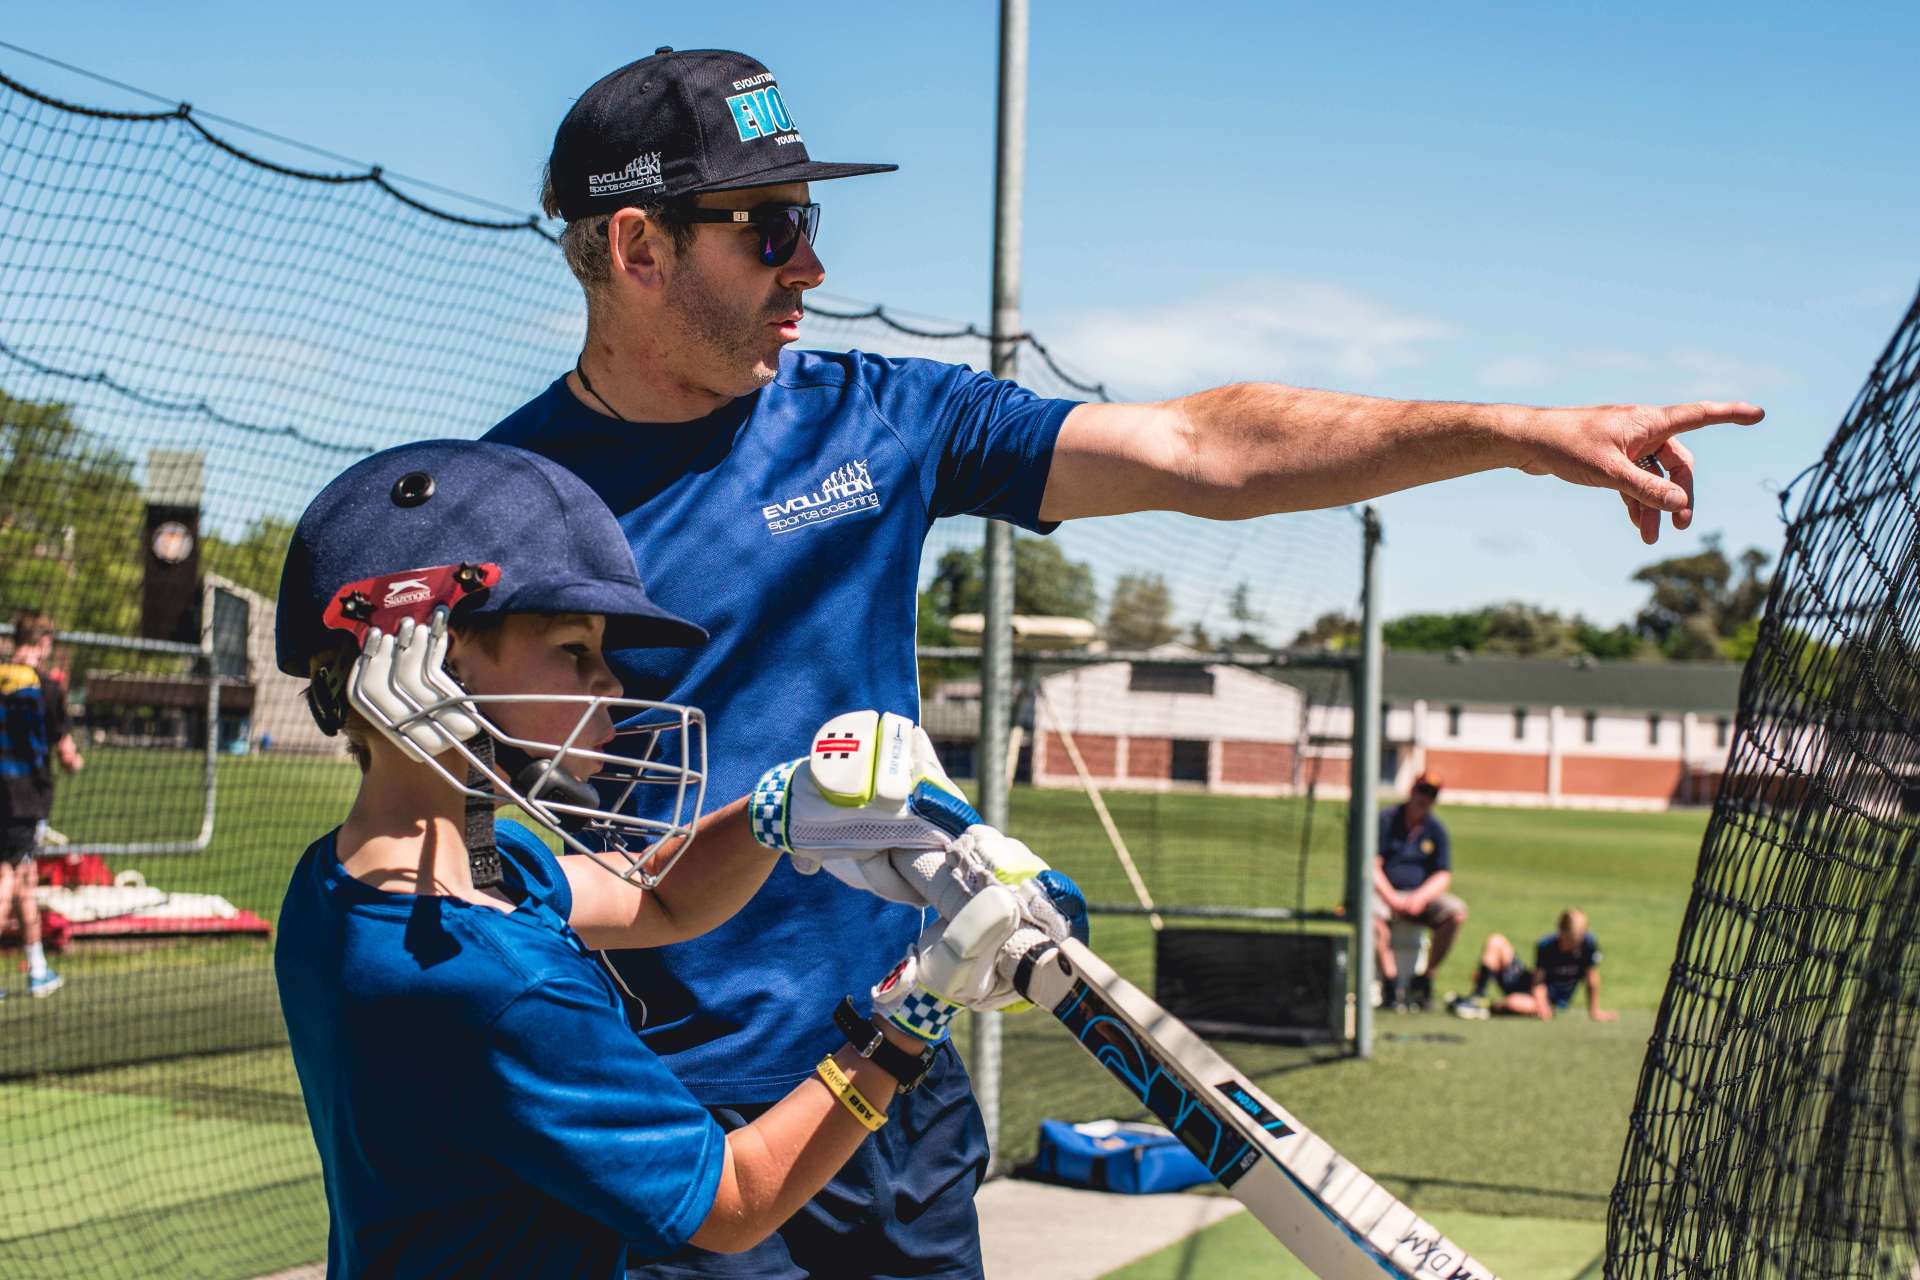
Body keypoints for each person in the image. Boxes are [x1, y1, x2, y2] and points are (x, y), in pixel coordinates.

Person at [485, 46, 1762, 1276]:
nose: (810, 264)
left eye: (810, 219)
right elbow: (477, 850)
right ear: (639, 246)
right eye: (768, 227)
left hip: (892, 1082)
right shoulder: (497, 513)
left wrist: (1512, 432)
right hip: (676, 1122)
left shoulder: (873, 417)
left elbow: (1207, 445)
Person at [270, 440, 1081, 1278]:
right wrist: (911, 1019)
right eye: (574, 652)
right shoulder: (492, 981)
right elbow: (734, 1202)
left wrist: (783, 810)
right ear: (430, 663)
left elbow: (658, 902)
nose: (611, 686)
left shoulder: (377, 877)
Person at [0, 610, 84, 999]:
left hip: (8, 796)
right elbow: (67, 755)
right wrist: (75, 762)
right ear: (45, 642)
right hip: (23, 799)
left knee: (26, 882)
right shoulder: (48, 689)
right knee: (7, 878)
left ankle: (37, 968)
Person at [1373, 772, 1464, 1010]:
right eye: (1422, 791)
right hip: (1386, 893)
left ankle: (1424, 979)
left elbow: (1443, 875)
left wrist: (1420, 897)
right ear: (1412, 790)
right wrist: (1391, 897)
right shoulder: (1386, 820)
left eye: (1431, 795)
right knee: (1371, 917)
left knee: (1456, 913)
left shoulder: (1436, 830)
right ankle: (1391, 985)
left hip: (1420, 896)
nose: (1424, 799)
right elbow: (1371, 865)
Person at [1449, 909, 1616, 1022]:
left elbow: (1592, 978)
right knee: (1496, 940)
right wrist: (1486, 971)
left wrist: (1594, 1010)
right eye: (1570, 940)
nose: (1574, 945)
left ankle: (1487, 1006)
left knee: (1513, 1002)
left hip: (1553, 1001)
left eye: (1577, 940)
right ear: (1560, 931)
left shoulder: (1588, 945)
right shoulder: (1546, 945)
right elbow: (1538, 980)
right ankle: (1477, 998)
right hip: (1534, 988)